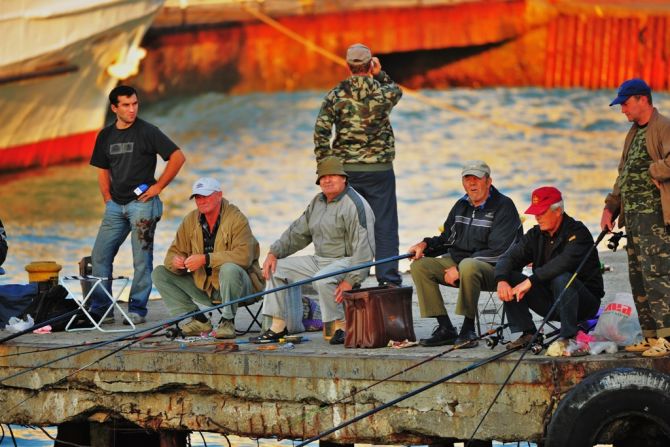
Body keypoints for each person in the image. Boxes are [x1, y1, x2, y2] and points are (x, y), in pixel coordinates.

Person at [88, 85, 186, 325]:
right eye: (126, 105)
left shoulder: (148, 131)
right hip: (115, 206)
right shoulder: (106, 135)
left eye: (135, 104)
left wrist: (158, 187)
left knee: (141, 260)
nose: (132, 109)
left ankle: (138, 309)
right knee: (99, 256)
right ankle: (102, 309)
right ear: (114, 108)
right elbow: (103, 168)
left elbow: (177, 157)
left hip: (142, 205)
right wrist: (106, 197)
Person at [252, 156, 375, 345]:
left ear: (343, 178)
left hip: (347, 261)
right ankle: (277, 327)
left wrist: (351, 279)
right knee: (276, 269)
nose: (327, 180)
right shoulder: (317, 202)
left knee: (324, 278)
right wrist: (273, 252)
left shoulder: (356, 205)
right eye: (323, 177)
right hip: (320, 260)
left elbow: (365, 250)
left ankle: (341, 326)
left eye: (332, 175)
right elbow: (298, 233)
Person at [314, 43, 402, 287]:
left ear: (347, 66)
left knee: (349, 228)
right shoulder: (385, 92)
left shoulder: (336, 94)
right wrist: (380, 73)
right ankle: (389, 281)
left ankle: (349, 281)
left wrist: (326, 171)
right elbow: (396, 90)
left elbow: (321, 133)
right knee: (384, 226)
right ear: (369, 65)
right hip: (380, 170)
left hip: (347, 172)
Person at [408, 160, 522, 348]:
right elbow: (447, 239)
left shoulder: (504, 206)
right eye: (467, 179)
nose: (472, 184)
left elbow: (500, 251)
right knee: (420, 266)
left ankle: (468, 330)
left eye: (476, 179)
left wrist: (460, 268)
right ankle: (445, 328)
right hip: (460, 264)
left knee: (469, 266)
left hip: (497, 271)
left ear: (488, 181)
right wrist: (424, 245)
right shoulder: (461, 205)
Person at [601, 78, 670, 357]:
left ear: (643, 99)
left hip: (656, 219)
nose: (623, 111)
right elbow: (624, 174)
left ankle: (667, 339)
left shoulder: (663, 127)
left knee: (659, 276)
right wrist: (610, 208)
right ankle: (651, 336)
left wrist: (655, 171)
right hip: (634, 219)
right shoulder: (632, 132)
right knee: (639, 278)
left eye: (626, 104)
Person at [496, 187, 603, 355]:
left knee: (561, 277)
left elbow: (562, 263)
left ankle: (569, 338)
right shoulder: (535, 235)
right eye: (535, 213)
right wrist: (501, 280)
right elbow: (507, 258)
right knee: (509, 277)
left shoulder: (578, 232)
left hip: (583, 302)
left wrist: (530, 281)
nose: (537, 217)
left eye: (542, 212)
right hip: (550, 300)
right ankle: (528, 333)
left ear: (558, 210)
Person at [152, 178, 264, 338]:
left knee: (229, 268)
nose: (201, 201)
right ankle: (199, 320)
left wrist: (206, 259)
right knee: (159, 273)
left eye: (205, 196)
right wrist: (176, 261)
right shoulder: (190, 220)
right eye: (197, 197)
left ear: (219, 195)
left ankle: (227, 321)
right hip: (205, 287)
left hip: (241, 288)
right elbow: (173, 252)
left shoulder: (237, 219)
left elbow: (244, 256)